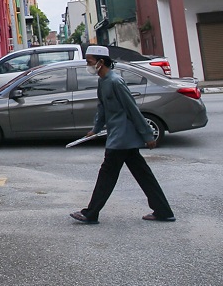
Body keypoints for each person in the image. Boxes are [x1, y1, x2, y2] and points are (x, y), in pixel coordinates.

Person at [70, 45, 175, 224]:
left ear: (101, 62)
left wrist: (148, 135)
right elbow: (102, 107)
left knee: (107, 175)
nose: (88, 66)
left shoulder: (115, 82)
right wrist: (95, 128)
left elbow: (132, 109)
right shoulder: (103, 81)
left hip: (121, 138)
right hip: (119, 137)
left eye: (90, 62)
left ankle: (90, 213)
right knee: (143, 175)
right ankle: (163, 211)